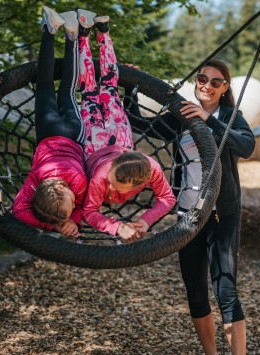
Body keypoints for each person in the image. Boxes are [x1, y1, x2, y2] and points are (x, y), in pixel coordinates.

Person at [129, 59, 255, 354]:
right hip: (189, 215)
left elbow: (247, 147)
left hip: (222, 213)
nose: (207, 85)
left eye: (216, 82)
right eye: (202, 78)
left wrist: (208, 120)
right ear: (195, 81)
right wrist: (132, 86)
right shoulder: (180, 116)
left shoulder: (230, 115)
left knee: (225, 290)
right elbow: (138, 124)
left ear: (224, 89)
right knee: (196, 293)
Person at [77, 11, 176, 243]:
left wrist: (146, 219)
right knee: (107, 87)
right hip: (114, 140)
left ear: (143, 182)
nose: (115, 190)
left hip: (96, 140)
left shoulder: (152, 170)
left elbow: (167, 199)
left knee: (90, 89)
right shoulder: (102, 176)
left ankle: (86, 34)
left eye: (118, 187)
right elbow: (89, 211)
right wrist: (115, 227)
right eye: (114, 184)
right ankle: (99, 32)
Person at [12, 6, 88, 237]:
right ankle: (50, 29)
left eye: (69, 205)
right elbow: (19, 209)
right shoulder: (36, 181)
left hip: (74, 134)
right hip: (49, 130)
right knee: (44, 84)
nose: (73, 205)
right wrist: (57, 220)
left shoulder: (79, 184)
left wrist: (59, 224)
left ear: (61, 188)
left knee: (68, 88)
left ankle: (72, 36)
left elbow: (83, 206)